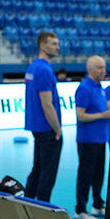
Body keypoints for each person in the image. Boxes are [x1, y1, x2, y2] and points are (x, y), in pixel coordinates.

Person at [73, 55, 110, 219]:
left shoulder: (99, 87)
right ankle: (80, 210)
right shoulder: (84, 88)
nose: (103, 71)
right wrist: (103, 115)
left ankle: (98, 204)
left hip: (100, 138)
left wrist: (109, 112)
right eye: (100, 67)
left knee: (99, 173)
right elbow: (80, 116)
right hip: (87, 139)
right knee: (85, 174)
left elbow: (102, 108)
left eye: (104, 67)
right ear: (90, 69)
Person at [23, 30, 63, 202]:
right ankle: (43, 207)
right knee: (47, 173)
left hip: (37, 127)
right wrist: (58, 130)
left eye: (57, 43)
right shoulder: (44, 70)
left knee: (38, 169)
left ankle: (28, 203)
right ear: (42, 45)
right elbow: (47, 105)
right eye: (53, 43)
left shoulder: (32, 67)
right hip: (47, 128)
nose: (57, 47)